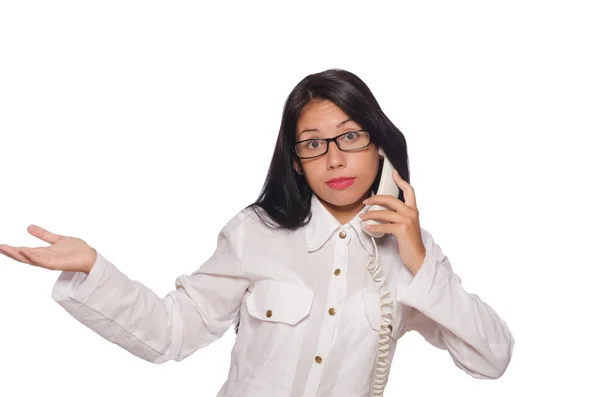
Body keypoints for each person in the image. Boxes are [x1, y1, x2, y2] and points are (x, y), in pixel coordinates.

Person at [0, 69, 515, 397]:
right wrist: (93, 269)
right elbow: (170, 333)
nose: (334, 157)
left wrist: (420, 261)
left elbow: (492, 359)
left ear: (379, 146)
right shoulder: (254, 233)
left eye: (351, 137)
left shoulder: (411, 255)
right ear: (295, 162)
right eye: (313, 144)